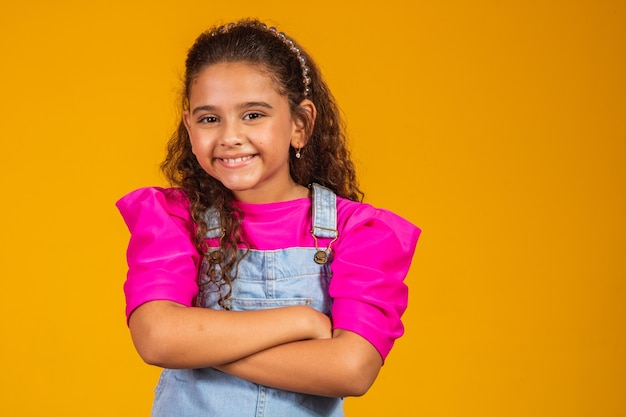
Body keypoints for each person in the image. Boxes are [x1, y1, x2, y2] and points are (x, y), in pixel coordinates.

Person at [117, 18, 420, 417]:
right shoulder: (173, 219)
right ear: (189, 126)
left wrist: (195, 347)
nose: (229, 136)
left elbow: (352, 368)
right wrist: (299, 321)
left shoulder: (359, 231)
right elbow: (157, 339)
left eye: (253, 115)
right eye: (210, 119)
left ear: (300, 124)